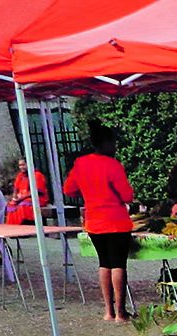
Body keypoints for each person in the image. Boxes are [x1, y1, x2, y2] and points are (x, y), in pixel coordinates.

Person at [62, 124, 135, 323]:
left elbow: (68, 189)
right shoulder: (113, 165)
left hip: (94, 222)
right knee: (118, 265)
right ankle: (121, 313)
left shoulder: (81, 163)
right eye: (113, 143)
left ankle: (108, 311)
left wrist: (87, 193)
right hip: (116, 222)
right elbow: (127, 195)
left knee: (104, 263)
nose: (115, 147)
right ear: (107, 143)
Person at [6, 159, 49, 226]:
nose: (21, 167)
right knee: (11, 205)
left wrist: (22, 197)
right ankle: (13, 228)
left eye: (23, 165)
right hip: (22, 199)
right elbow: (16, 189)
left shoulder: (37, 175)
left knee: (23, 205)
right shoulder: (20, 176)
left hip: (37, 199)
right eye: (20, 165)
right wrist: (15, 198)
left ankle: (25, 225)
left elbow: (37, 191)